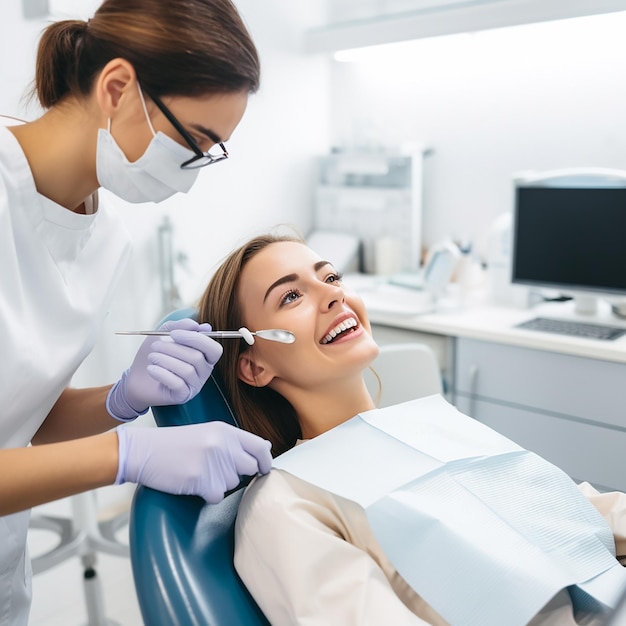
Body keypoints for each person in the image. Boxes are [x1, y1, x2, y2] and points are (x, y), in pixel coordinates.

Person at [0, 1, 273, 622]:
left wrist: (121, 399)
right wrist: (128, 454)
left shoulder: (104, 237)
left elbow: (24, 422)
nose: (196, 170)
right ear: (117, 88)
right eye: (195, 141)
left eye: (214, 151)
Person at [197, 232, 626, 626]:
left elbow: (569, 510)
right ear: (254, 367)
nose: (333, 295)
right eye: (291, 296)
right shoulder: (284, 501)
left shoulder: (432, 424)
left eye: (331, 277)